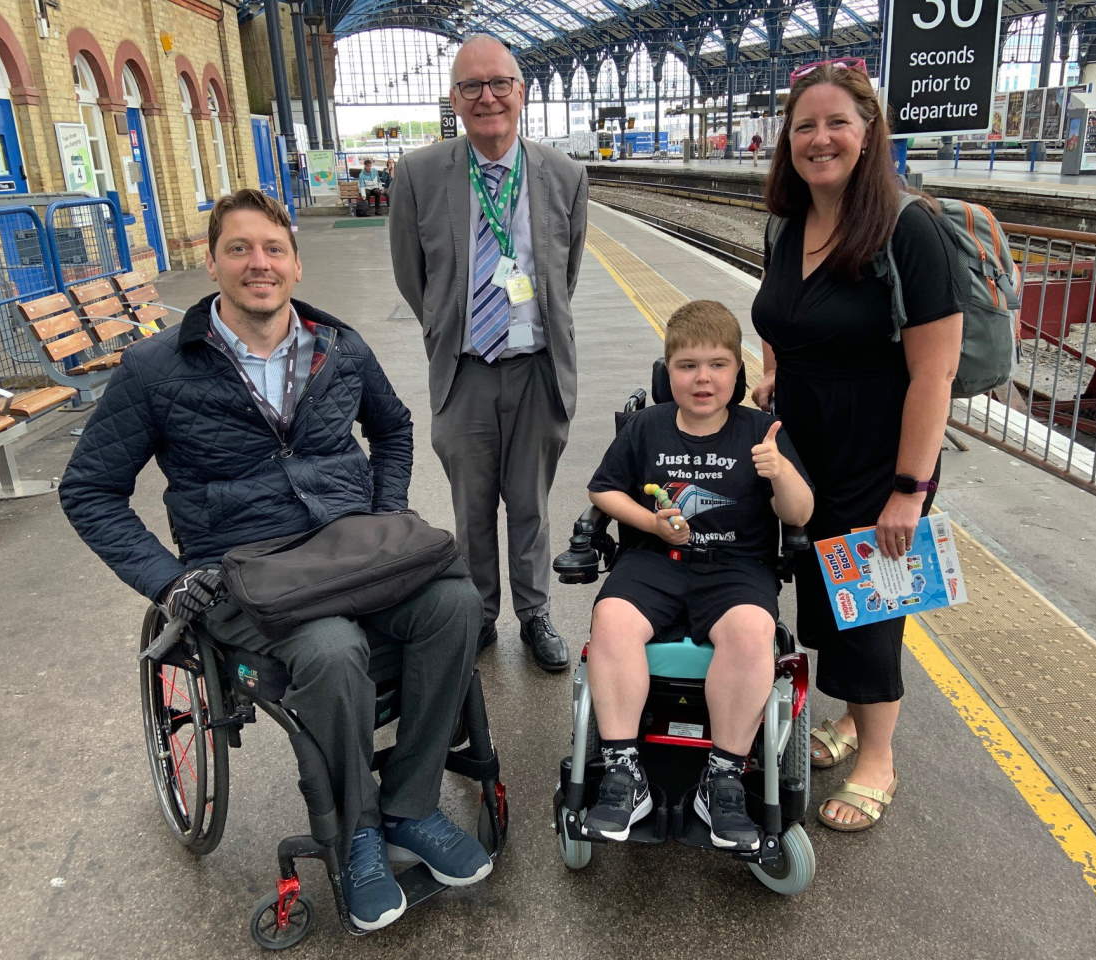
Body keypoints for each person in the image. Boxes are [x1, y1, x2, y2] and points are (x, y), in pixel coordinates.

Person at [59, 189, 491, 932]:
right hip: (245, 570)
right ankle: (354, 834)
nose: (259, 263)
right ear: (213, 262)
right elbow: (90, 490)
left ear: (295, 261)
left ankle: (410, 806)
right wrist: (169, 580)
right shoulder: (157, 368)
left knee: (457, 604)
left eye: (273, 249)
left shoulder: (339, 345)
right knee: (331, 648)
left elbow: (392, 428)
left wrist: (387, 510)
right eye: (240, 249)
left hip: (353, 550)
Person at [750, 62, 965, 832]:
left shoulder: (908, 228)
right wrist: (771, 371)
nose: (820, 139)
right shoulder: (789, 221)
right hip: (809, 449)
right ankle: (847, 718)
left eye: (837, 122)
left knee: (873, 610)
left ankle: (879, 756)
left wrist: (909, 488)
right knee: (826, 595)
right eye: (804, 125)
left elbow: (934, 371)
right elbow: (780, 314)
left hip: (883, 457)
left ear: (869, 131)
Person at [389, 34, 589, 672]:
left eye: (499, 83)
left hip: (535, 370)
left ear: (521, 93)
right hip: (466, 371)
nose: (487, 98)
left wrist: (526, 325)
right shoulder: (419, 176)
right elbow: (409, 274)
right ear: (454, 98)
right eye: (471, 86)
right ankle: (478, 614)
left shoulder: (564, 175)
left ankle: (535, 615)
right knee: (471, 507)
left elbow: (565, 272)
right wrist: (449, 331)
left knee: (530, 501)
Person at [582, 301, 813, 849]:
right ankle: (623, 770)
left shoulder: (762, 431)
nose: (702, 378)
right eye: (687, 366)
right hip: (653, 562)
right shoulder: (646, 426)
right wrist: (650, 525)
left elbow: (800, 514)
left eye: (717, 365)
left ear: (738, 372)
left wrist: (780, 473)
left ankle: (725, 776)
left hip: (736, 569)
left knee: (752, 632)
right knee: (610, 617)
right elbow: (603, 489)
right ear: (668, 373)